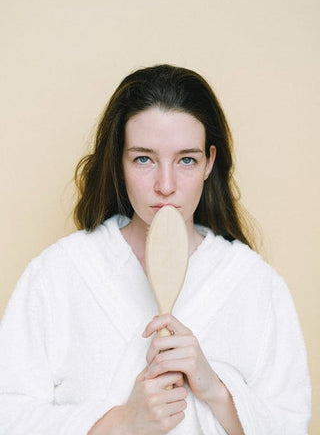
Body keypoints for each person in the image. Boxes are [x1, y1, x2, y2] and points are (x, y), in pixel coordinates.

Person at [0, 64, 311, 434]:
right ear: (119, 160)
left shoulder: (256, 283)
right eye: (144, 159)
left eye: (187, 160)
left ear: (210, 162)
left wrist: (215, 389)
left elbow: (292, 423)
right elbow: (9, 415)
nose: (166, 185)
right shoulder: (57, 273)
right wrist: (122, 422)